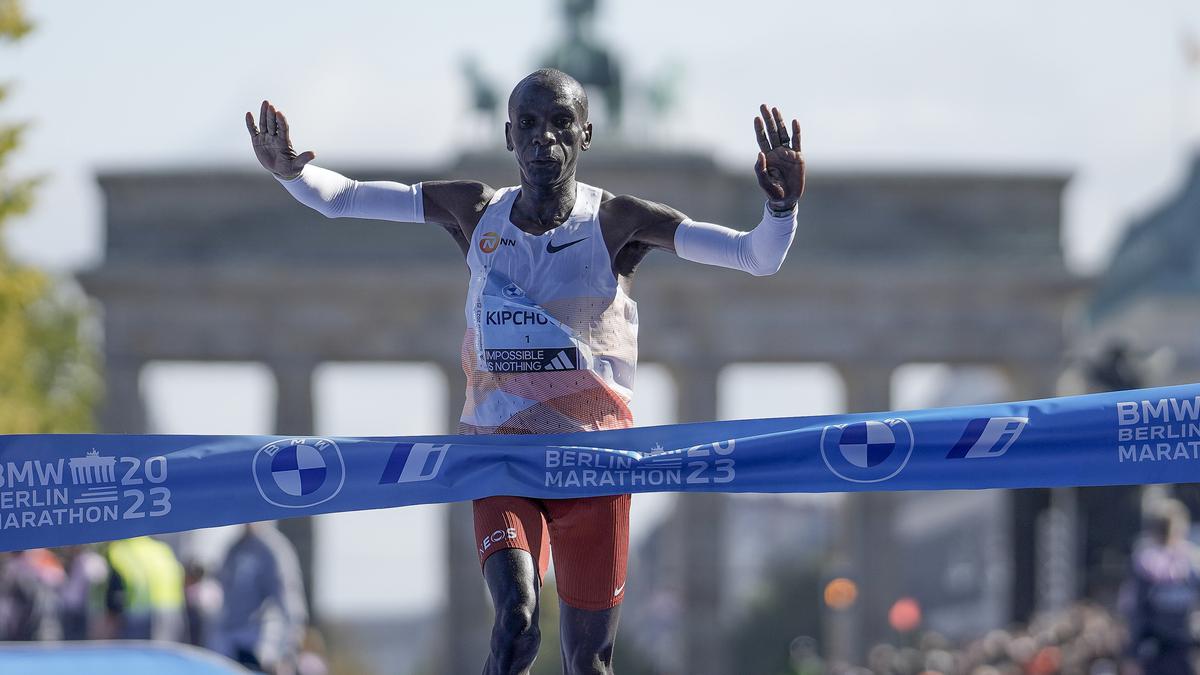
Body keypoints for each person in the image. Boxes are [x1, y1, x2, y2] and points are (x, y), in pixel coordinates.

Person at [245, 68, 804, 674]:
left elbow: (756, 257)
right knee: (515, 623)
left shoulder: (619, 222)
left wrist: (780, 207)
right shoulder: (474, 210)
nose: (545, 139)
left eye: (562, 124)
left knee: (586, 662)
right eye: (530, 125)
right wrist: (292, 173)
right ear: (509, 136)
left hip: (594, 464)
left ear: (586, 135)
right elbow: (346, 198)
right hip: (500, 458)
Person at [211, 522, 307, 674]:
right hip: (231, 647)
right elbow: (224, 600)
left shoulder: (275, 549)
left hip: (263, 649)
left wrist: (287, 653)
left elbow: (290, 603)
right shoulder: (233, 549)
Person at [1121, 498, 1200, 675]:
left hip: (1157, 645)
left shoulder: (1144, 561)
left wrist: (1132, 652)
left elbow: (1135, 610)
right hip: (1179, 645)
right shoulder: (1193, 560)